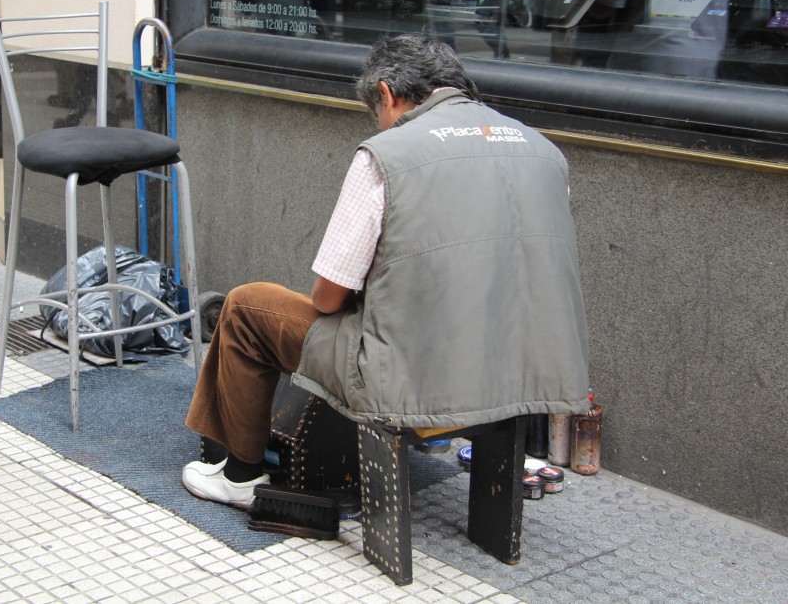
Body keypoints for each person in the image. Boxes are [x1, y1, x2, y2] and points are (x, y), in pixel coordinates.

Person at [182, 33, 590, 508]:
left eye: (376, 111)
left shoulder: (386, 154)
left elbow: (328, 298)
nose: (379, 123)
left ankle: (240, 475)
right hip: (522, 371)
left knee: (246, 306)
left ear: (386, 93)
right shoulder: (544, 152)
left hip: (412, 378)